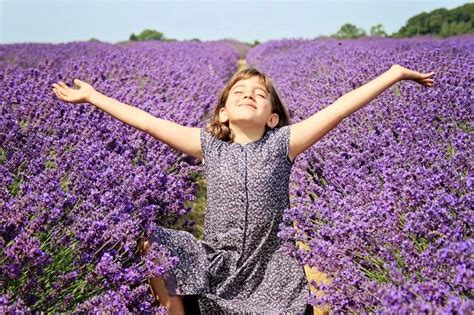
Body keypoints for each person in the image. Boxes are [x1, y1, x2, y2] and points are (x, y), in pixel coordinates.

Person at [52, 65, 434, 314]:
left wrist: (393, 74)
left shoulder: (284, 142)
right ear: (221, 114)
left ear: (272, 117)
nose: (249, 93)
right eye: (239, 91)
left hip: (272, 268)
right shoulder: (209, 145)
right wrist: (93, 97)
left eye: (259, 93)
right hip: (218, 262)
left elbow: (338, 109)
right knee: (151, 240)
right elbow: (150, 123)